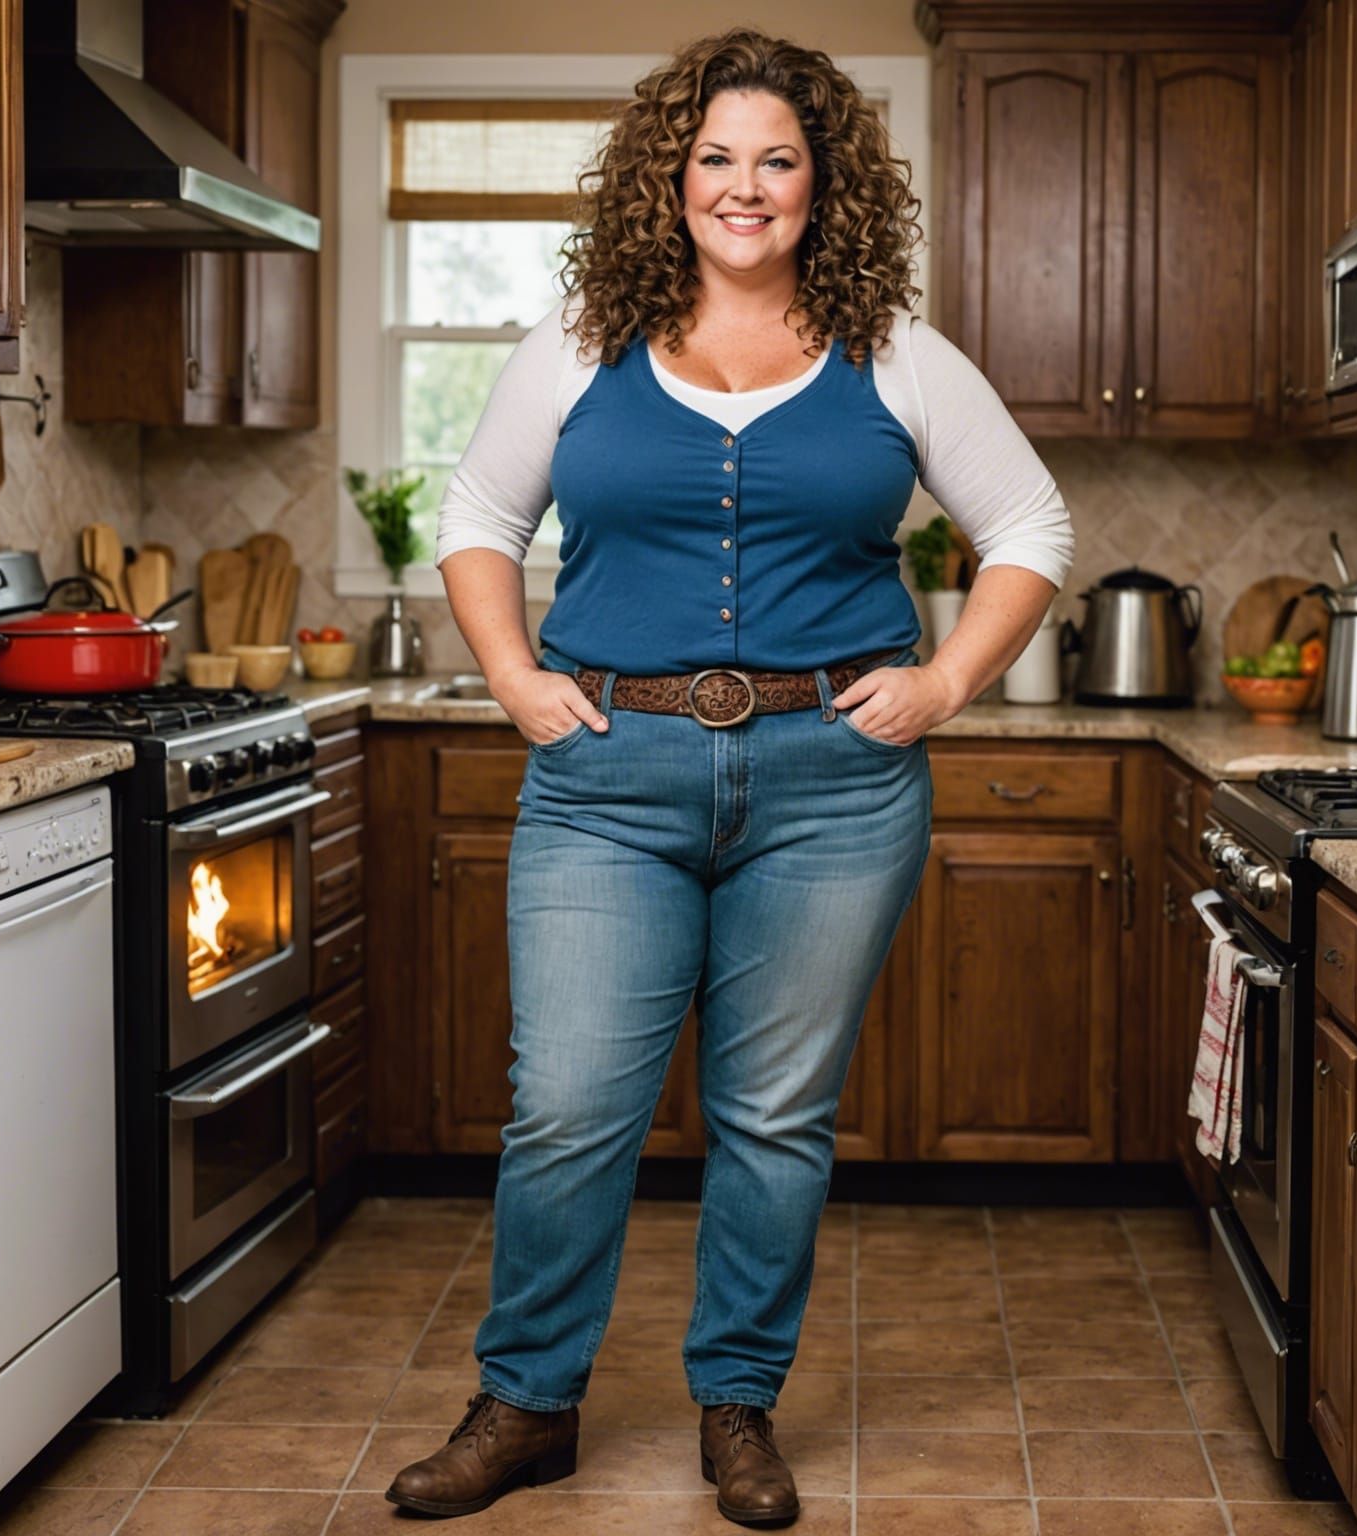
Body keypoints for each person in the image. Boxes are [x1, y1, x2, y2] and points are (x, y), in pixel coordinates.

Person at [386, 25, 1074, 1527]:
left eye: (777, 159)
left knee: (774, 1115)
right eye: (715, 158)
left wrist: (950, 682)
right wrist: (513, 679)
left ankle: (739, 1407)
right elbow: (478, 513)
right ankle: (526, 1403)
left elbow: (1033, 527)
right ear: (669, 178)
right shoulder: (580, 344)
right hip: (606, 781)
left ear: (824, 188)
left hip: (837, 784)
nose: (743, 187)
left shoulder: (895, 348)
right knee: (568, 1103)